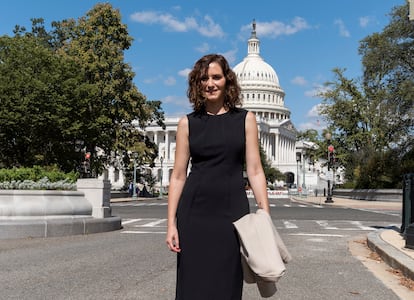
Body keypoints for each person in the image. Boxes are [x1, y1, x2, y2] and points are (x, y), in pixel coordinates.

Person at [165, 54, 270, 300]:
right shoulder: (187, 124)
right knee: (193, 285)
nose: (210, 83)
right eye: (204, 78)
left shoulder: (246, 119)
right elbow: (178, 176)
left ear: (227, 81)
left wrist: (265, 212)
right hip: (194, 215)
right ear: (196, 83)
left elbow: (255, 170)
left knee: (227, 285)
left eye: (216, 77)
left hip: (232, 214)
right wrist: (171, 223)